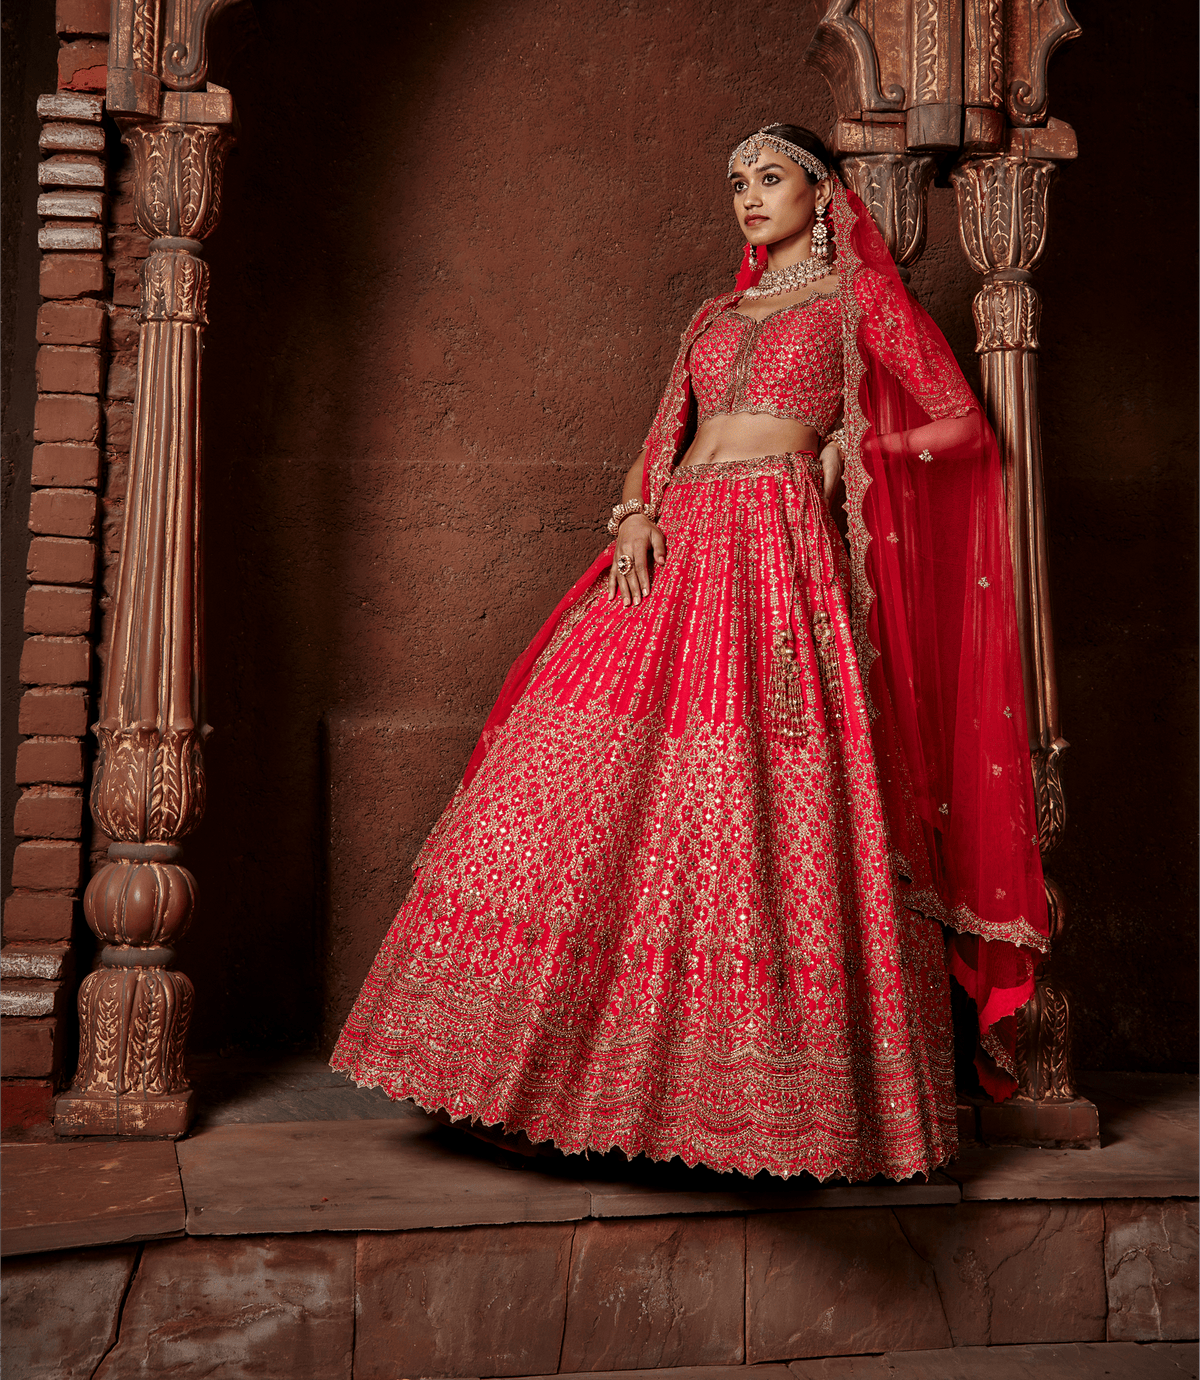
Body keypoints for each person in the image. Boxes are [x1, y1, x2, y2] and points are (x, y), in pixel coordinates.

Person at [331, 124, 1048, 1181]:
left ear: (823, 191)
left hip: (776, 547)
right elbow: (662, 430)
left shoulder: (856, 302)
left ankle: (741, 1111)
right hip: (674, 541)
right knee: (574, 778)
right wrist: (633, 511)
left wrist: (856, 450)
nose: (749, 198)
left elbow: (960, 428)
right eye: (736, 185)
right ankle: (524, 1077)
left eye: (769, 178)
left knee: (751, 793)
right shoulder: (713, 314)